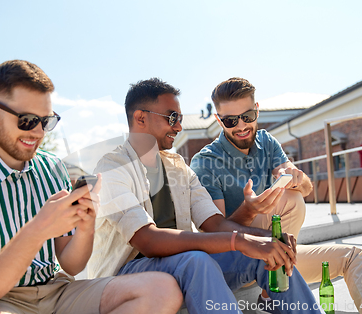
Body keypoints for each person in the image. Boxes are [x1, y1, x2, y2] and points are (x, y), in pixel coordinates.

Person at [0, 60, 182, 314]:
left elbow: (70, 263)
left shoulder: (51, 167)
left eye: (46, 121)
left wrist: (85, 227)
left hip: (54, 292)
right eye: (27, 120)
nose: (39, 133)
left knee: (162, 290)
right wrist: (37, 229)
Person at [87, 77, 326, 314]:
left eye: (179, 119)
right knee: (197, 260)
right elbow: (148, 241)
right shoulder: (111, 168)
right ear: (140, 117)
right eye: (172, 118)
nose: (179, 127)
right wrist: (239, 240)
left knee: (268, 252)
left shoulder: (179, 168)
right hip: (126, 277)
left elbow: (215, 223)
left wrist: (266, 236)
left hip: (185, 266)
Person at [190, 77, 362, 314]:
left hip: (277, 259)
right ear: (218, 120)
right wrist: (250, 209)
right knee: (288, 199)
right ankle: (271, 288)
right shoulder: (205, 162)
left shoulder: (266, 142)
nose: (241, 126)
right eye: (230, 120)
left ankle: (270, 291)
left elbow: (306, 190)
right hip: (239, 260)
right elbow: (215, 232)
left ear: (257, 110)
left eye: (247, 116)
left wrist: (296, 177)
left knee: (353, 256)